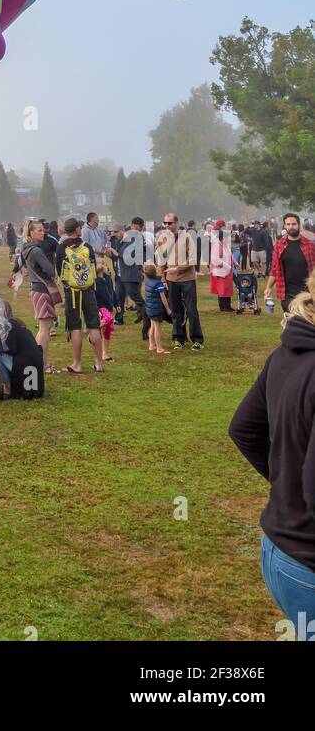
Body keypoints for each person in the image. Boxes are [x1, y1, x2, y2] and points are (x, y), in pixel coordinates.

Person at [229, 270, 315, 632]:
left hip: (277, 552)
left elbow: (243, 428)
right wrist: (291, 480)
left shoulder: (286, 352)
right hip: (305, 563)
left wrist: (285, 481)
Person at [55, 217, 104, 375]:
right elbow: (94, 267)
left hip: (72, 292)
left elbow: (59, 271)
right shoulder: (87, 247)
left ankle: (77, 363)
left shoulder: (61, 248)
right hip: (89, 289)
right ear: (77, 230)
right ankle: (99, 363)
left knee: (75, 327)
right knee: (93, 326)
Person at [154, 212, 204, 351]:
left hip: (187, 279)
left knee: (192, 309)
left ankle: (197, 339)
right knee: (175, 310)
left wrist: (178, 269)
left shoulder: (187, 237)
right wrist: (162, 278)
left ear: (176, 223)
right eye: (165, 223)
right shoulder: (163, 238)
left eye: (170, 223)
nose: (167, 225)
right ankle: (178, 338)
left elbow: (193, 259)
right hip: (171, 280)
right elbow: (160, 260)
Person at [20, 220, 61, 374]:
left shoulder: (28, 249)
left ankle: (40, 363)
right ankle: (42, 364)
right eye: (38, 230)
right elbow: (51, 271)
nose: (42, 232)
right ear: (31, 233)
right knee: (44, 329)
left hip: (37, 289)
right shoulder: (36, 251)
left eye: (43, 230)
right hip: (42, 290)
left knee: (45, 328)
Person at [265, 213, 315, 315]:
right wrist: (268, 287)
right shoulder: (279, 245)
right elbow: (274, 269)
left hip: (307, 293)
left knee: (306, 324)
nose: (291, 227)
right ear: (284, 226)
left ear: (299, 225)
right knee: (290, 324)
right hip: (287, 293)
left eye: (294, 224)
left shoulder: (310, 246)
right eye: (288, 224)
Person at [0, 302, 44, 400]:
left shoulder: (9, 326)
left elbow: (11, 349)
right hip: (36, 364)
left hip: (23, 366)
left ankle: (7, 385)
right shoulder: (19, 323)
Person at [116, 218, 147, 331]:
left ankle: (146, 315)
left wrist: (118, 254)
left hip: (131, 272)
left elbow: (132, 255)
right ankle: (119, 318)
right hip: (121, 272)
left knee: (135, 296)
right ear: (134, 225)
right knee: (119, 296)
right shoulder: (126, 237)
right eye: (140, 226)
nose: (141, 229)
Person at [208, 221, 235, 313]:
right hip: (221, 271)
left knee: (227, 289)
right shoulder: (216, 245)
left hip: (227, 270)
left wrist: (235, 263)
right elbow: (215, 259)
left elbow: (230, 254)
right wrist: (227, 266)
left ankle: (228, 305)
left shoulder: (225, 244)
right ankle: (223, 307)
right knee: (222, 290)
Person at [143, 265, 171, 354]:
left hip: (149, 308)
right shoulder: (158, 284)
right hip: (156, 309)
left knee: (152, 325)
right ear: (155, 272)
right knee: (157, 328)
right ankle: (159, 348)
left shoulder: (147, 281)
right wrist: (168, 309)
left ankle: (151, 345)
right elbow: (163, 297)